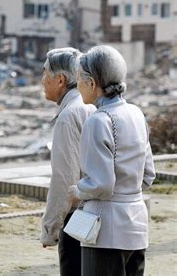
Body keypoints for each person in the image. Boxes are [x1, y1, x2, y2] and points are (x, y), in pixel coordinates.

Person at [69, 45, 155, 276]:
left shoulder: (98, 121)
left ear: (92, 83)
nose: (77, 86)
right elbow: (148, 176)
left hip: (105, 232)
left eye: (79, 79)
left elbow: (101, 185)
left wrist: (77, 190)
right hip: (136, 226)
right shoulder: (136, 114)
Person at [40, 47, 96, 275]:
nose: (42, 80)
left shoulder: (68, 116)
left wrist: (51, 229)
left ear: (60, 80)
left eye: (45, 73)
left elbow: (64, 180)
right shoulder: (92, 105)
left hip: (77, 220)